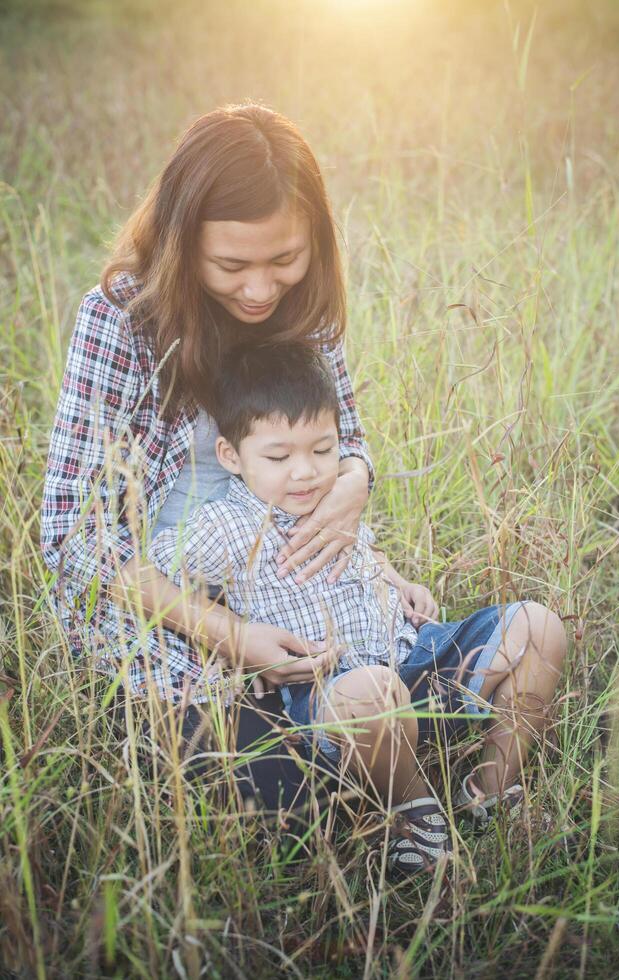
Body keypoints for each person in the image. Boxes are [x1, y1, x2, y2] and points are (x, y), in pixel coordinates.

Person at [40, 103, 567, 859]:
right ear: (181, 243)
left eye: (283, 260)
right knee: (277, 805)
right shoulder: (119, 320)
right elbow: (72, 539)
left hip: (342, 624)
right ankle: (363, 755)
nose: (260, 290)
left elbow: (346, 439)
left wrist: (355, 481)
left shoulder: (305, 306)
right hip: (185, 626)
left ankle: (466, 785)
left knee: (527, 638)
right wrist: (234, 637)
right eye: (230, 266)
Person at [148, 341, 566, 877]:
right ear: (231, 455)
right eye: (279, 457)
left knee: (540, 627)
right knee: (372, 693)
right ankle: (413, 810)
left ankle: (490, 788)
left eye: (323, 450)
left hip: (414, 656)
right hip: (336, 692)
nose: (306, 473)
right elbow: (153, 572)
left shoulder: (332, 496)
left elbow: (362, 549)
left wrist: (400, 581)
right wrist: (229, 642)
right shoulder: (222, 527)